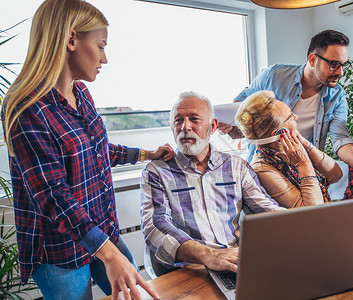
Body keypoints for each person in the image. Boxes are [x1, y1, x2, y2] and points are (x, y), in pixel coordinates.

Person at [1, 1, 174, 299]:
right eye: (101, 45)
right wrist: (109, 254)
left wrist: (147, 155)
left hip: (100, 233)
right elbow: (53, 195)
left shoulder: (81, 93)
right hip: (60, 252)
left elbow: (97, 151)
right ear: (71, 39)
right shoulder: (26, 108)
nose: (104, 58)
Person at [220, 29, 353, 185]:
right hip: (264, 170)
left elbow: (340, 139)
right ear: (313, 59)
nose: (340, 72)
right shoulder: (274, 76)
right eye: (334, 64)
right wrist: (229, 125)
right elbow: (241, 108)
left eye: (344, 65)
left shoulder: (337, 96)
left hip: (302, 171)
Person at [140, 91, 283, 276]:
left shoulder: (237, 167)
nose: (185, 127)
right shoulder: (157, 172)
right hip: (189, 271)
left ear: (213, 126)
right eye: (178, 120)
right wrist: (209, 255)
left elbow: (268, 210)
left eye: (194, 119)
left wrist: (307, 227)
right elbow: (155, 227)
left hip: (234, 264)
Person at [235, 90, 343, 207]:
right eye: (290, 116)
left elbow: (336, 175)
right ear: (279, 133)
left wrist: (306, 145)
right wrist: (303, 164)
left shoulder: (294, 148)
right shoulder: (263, 169)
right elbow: (312, 213)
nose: (296, 117)